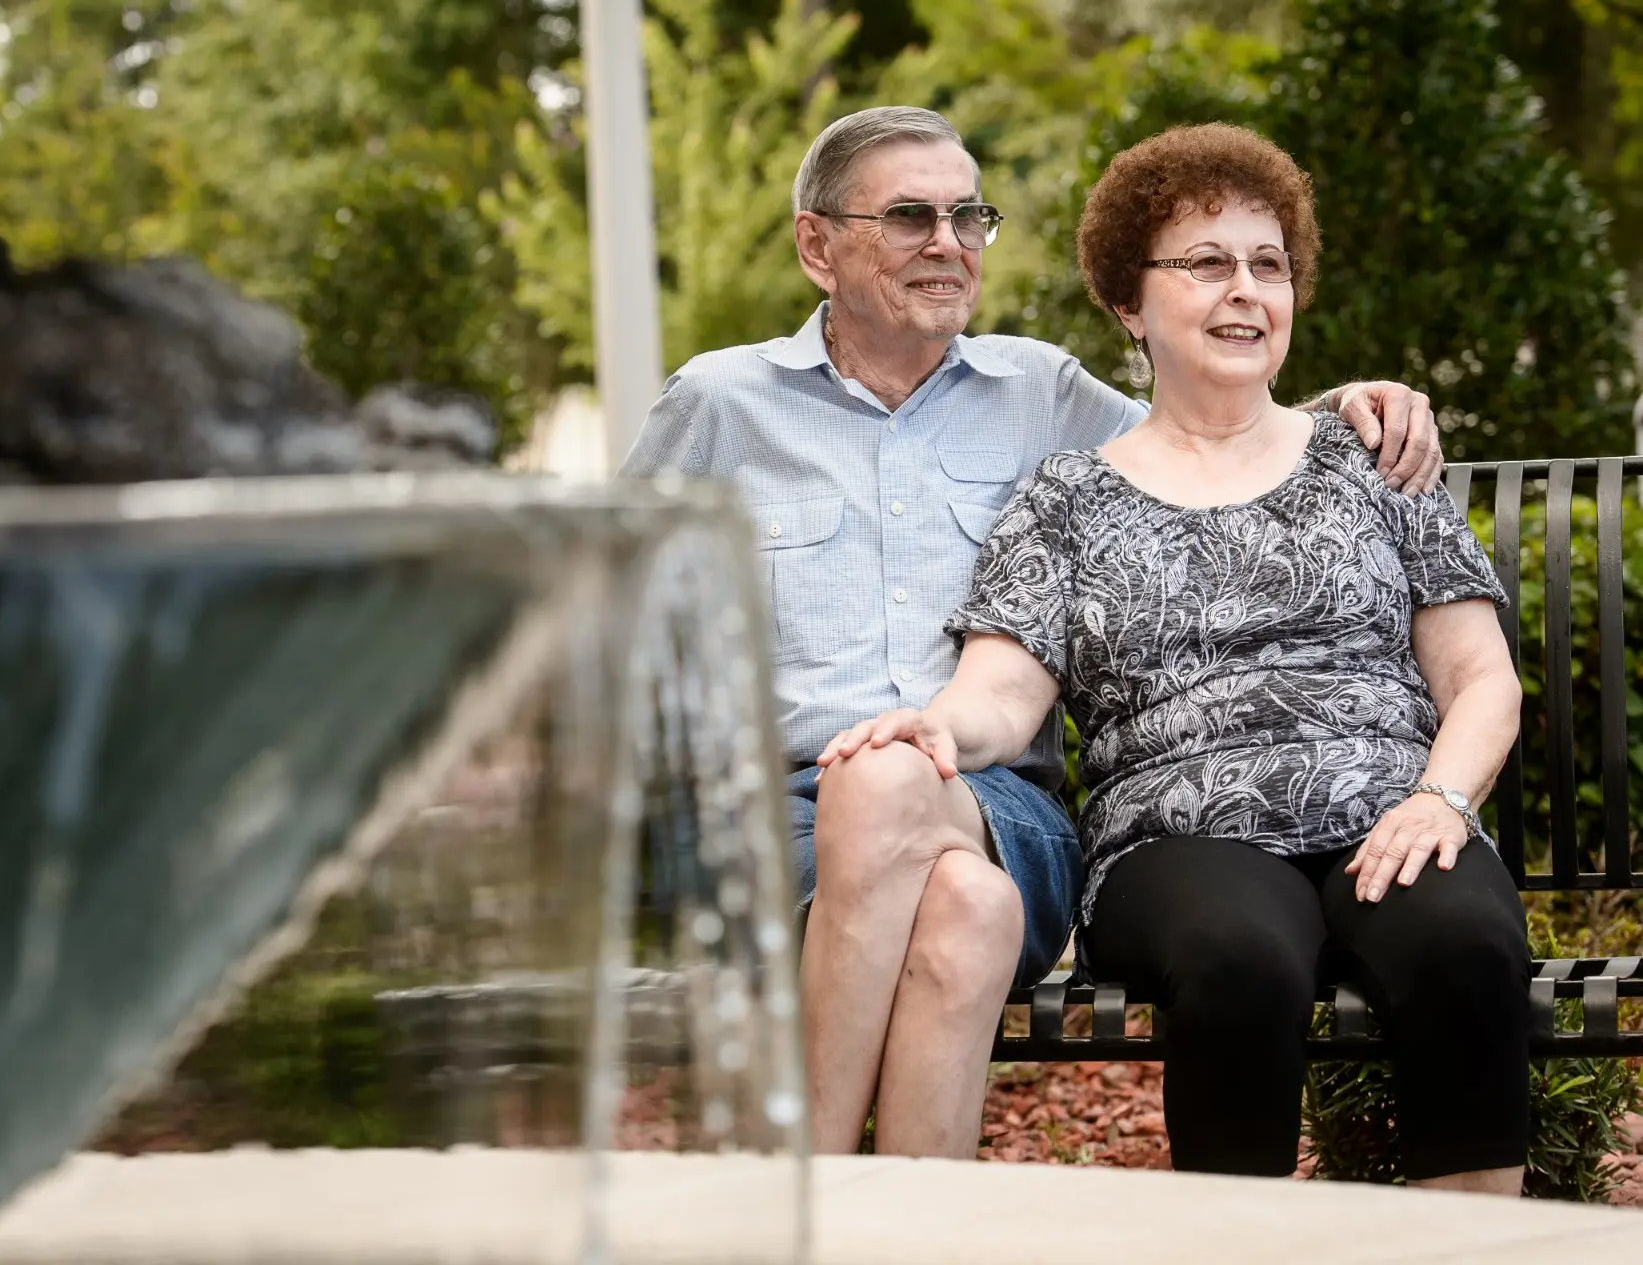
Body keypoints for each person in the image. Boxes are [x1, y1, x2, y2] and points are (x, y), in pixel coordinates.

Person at [620, 106, 1447, 1159]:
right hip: (766, 814)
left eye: (969, 215)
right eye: (911, 215)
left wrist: (1348, 407)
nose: (948, 243)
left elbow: (1209, 442)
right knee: (961, 909)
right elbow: (609, 609)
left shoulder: (1040, 391)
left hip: (997, 802)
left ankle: (807, 1206)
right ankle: (912, 1235)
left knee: (889, 784)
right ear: (817, 245)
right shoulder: (722, 403)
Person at [822, 122, 1528, 1189]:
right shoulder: (1066, 499)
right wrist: (943, 726)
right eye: (1207, 263)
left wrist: (1440, 798)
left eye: (1268, 265)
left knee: (1465, 944)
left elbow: (1481, 677)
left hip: (1389, 808)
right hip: (1180, 834)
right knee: (1240, 959)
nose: (1245, 290)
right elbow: (1003, 691)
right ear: (1127, 304)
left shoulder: (1375, 460)